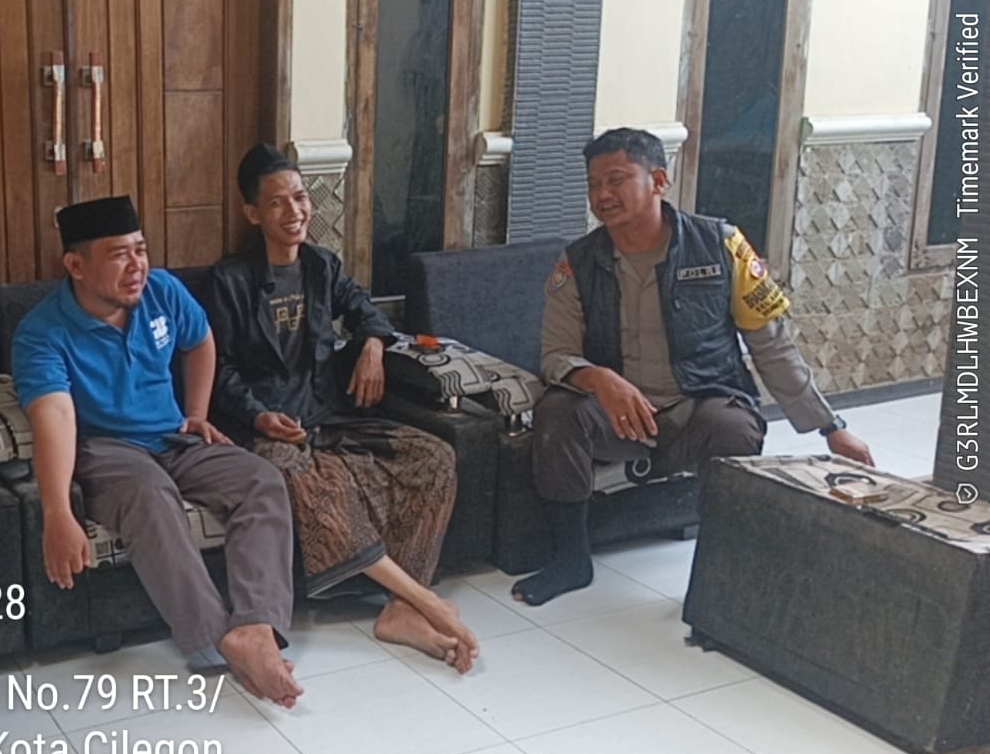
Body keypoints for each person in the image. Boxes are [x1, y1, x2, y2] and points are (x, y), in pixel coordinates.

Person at [520, 127, 875, 606]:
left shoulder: (721, 245)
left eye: (617, 180)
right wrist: (599, 379)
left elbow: (770, 346)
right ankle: (570, 559)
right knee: (557, 413)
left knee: (733, 426)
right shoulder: (578, 262)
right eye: (593, 184)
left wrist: (830, 427)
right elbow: (556, 356)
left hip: (699, 406)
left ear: (658, 180)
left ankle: (720, 575)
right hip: (618, 417)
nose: (602, 195)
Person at [11, 195, 304, 708]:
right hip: (105, 449)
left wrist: (197, 412)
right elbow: (55, 417)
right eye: (118, 254)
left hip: (172, 437)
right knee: (151, 493)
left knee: (261, 479)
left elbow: (200, 341)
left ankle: (256, 628)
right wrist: (58, 513)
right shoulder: (41, 333)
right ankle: (215, 641)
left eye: (141, 249)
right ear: (76, 266)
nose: (137, 266)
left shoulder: (162, 291)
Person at [205, 144, 480, 670]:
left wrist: (373, 345)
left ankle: (401, 608)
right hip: (266, 431)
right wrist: (259, 416)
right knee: (311, 479)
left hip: (328, 418)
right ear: (253, 213)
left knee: (434, 457)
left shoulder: (322, 266)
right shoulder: (230, 280)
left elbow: (365, 311)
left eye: (300, 197)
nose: (294, 211)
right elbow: (220, 370)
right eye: (278, 203)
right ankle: (423, 600)